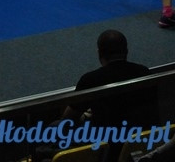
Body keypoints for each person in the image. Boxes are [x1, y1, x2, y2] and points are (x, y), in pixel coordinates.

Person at [59, 30, 156, 159]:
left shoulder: (90, 79)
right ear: (126, 51)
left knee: (54, 128)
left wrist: (84, 116)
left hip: (105, 145)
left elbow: (68, 119)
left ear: (100, 53)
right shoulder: (144, 73)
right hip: (141, 142)